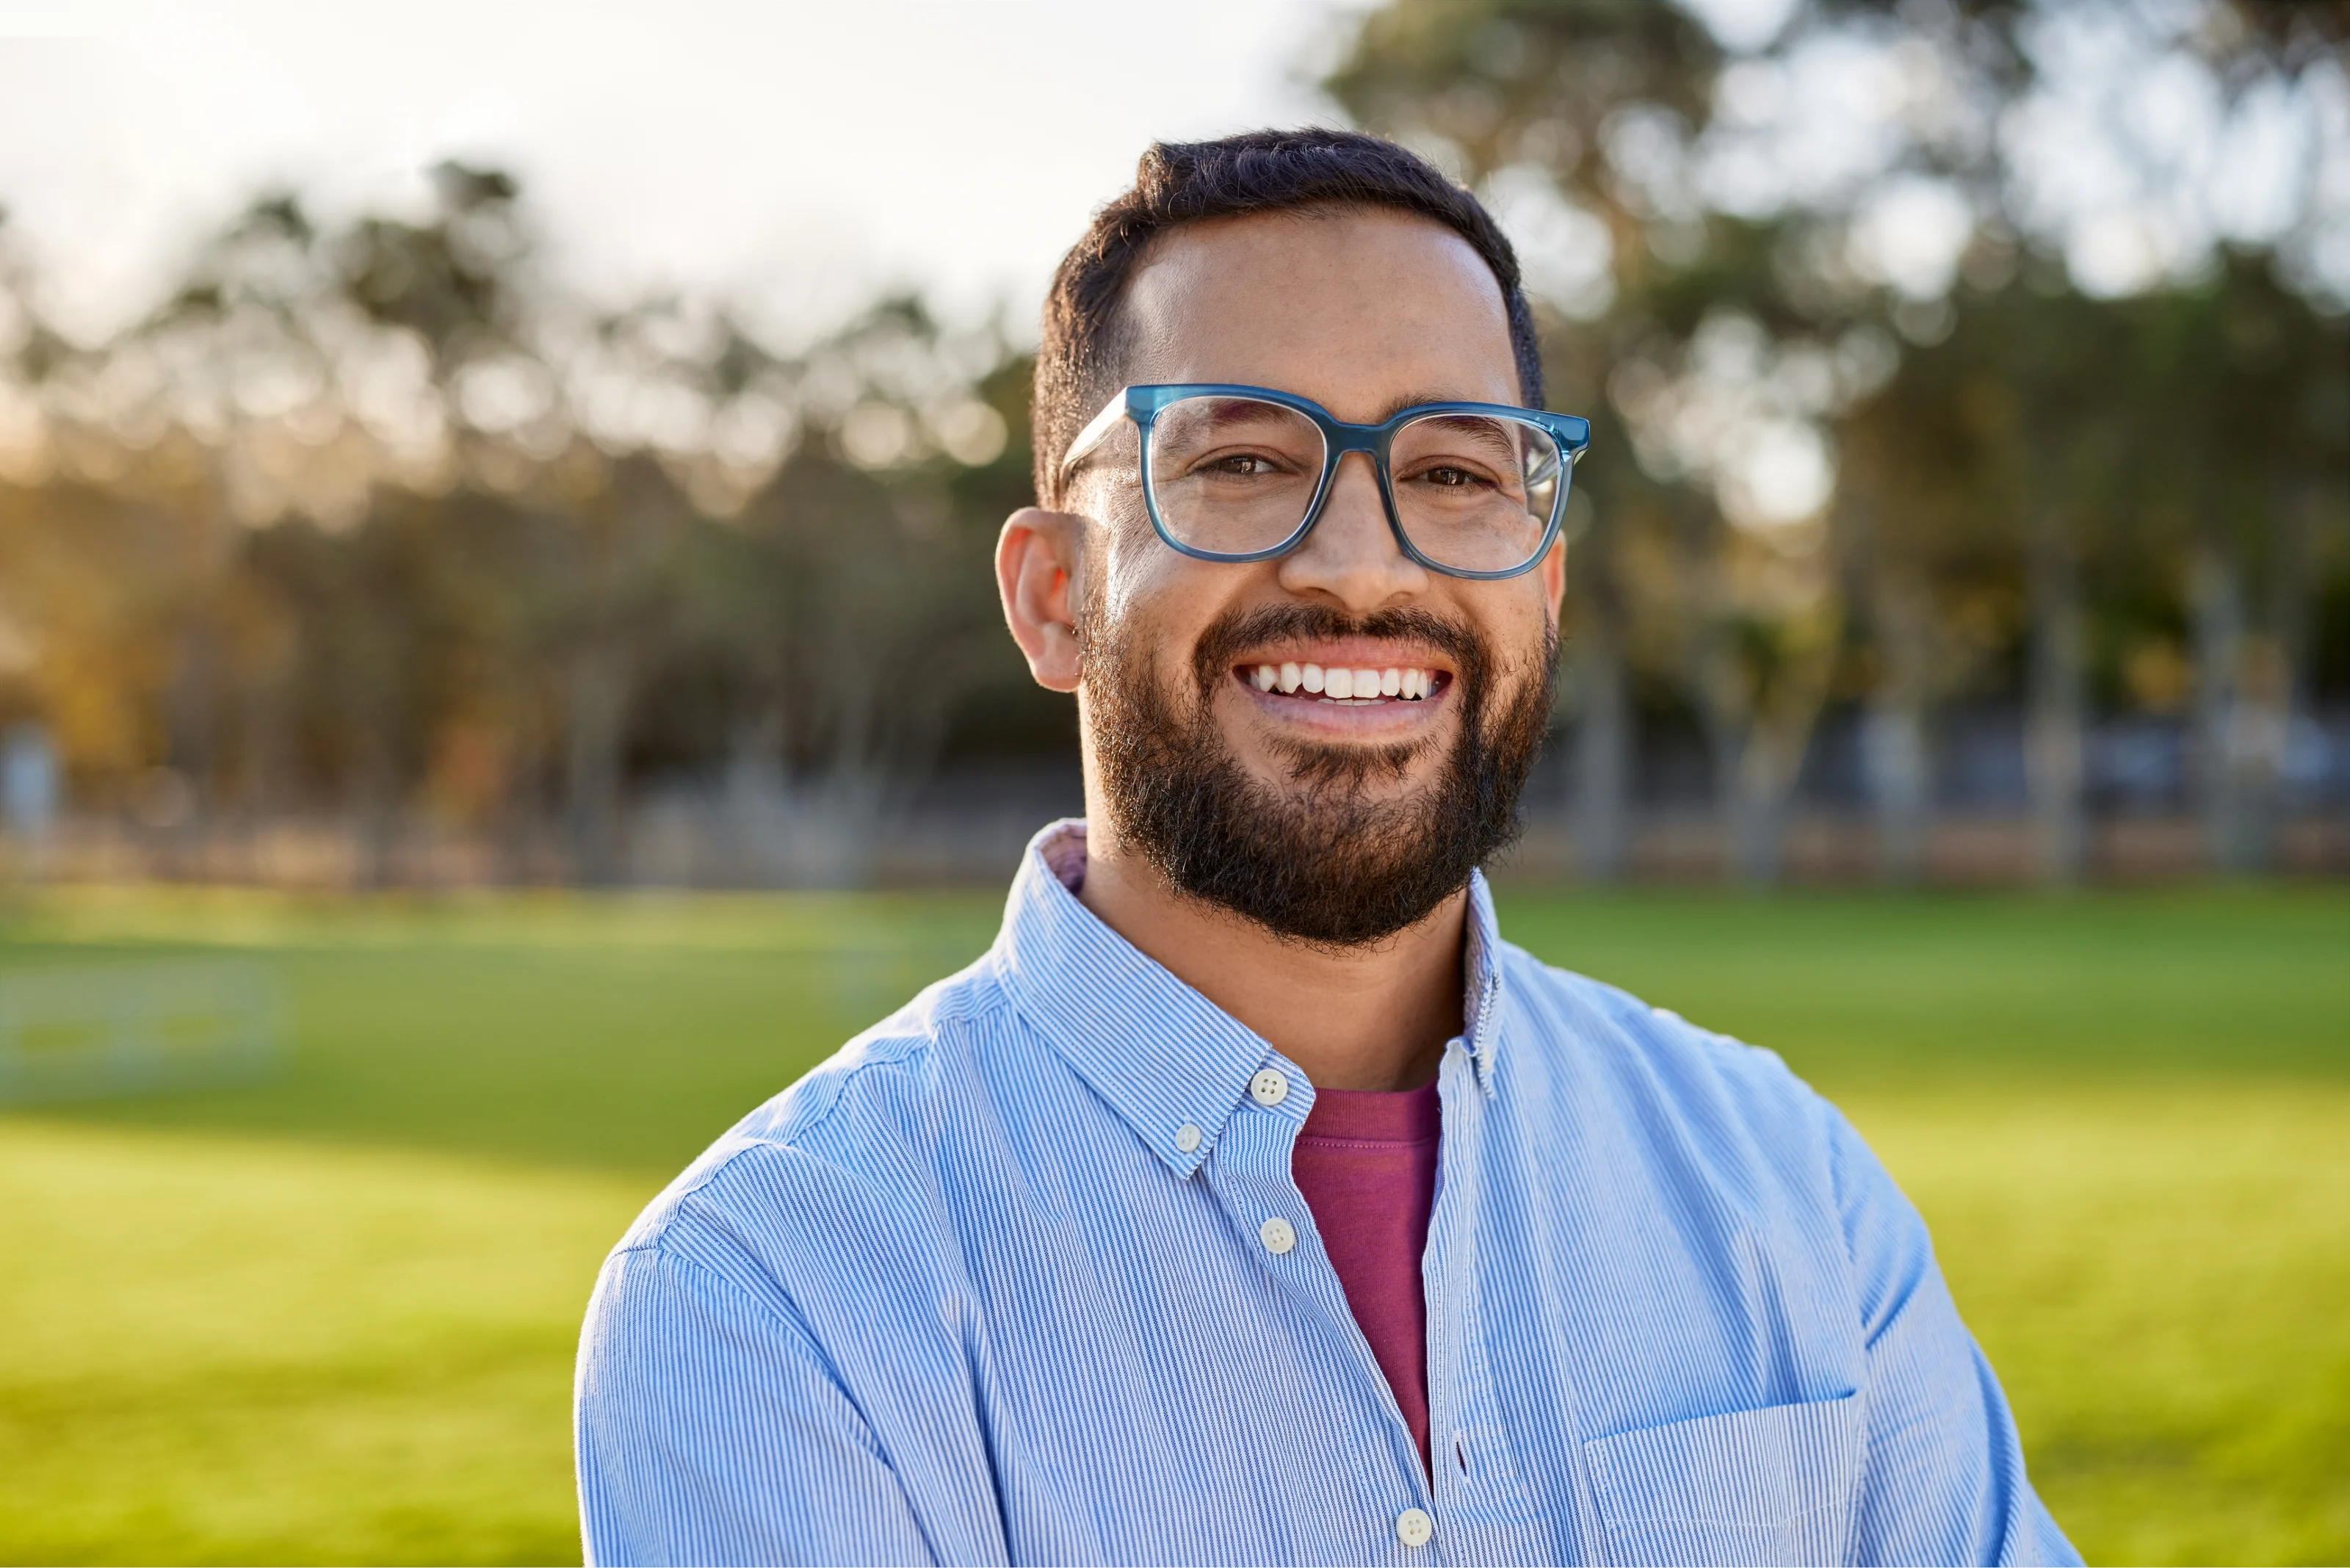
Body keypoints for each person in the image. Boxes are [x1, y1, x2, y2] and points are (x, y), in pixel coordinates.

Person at [574, 128, 2078, 1567]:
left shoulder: (1782, 1182)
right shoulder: (769, 1295)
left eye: (1455, 471)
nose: (1363, 564)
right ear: (1051, 596)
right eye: (1239, 460)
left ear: (1543, 582)